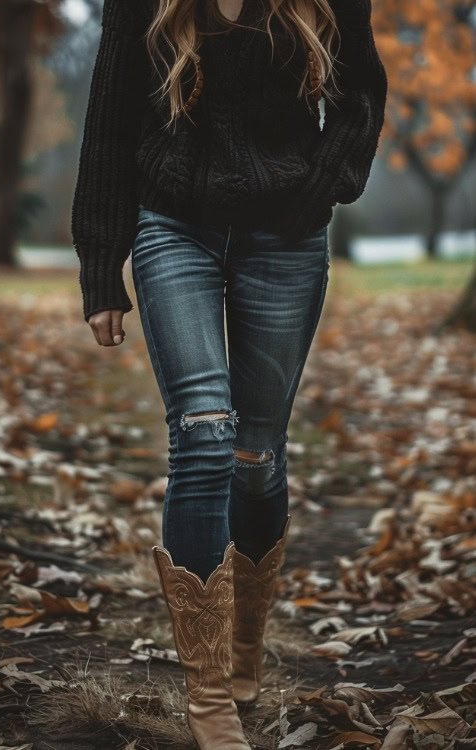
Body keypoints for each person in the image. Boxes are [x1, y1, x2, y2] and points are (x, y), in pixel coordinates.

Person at [71, 0, 387, 746]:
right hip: (171, 223)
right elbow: (110, 121)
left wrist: (323, 187)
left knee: (255, 454)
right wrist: (99, 264)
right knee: (205, 434)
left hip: (287, 235)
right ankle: (207, 689)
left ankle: (247, 638)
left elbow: (361, 98)